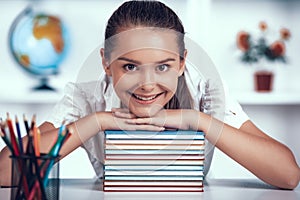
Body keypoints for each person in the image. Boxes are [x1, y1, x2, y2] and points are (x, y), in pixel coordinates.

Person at [0, 0, 299, 189]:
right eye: (130, 66)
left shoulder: (206, 92)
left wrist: (198, 120)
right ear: (106, 62)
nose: (146, 84)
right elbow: (4, 173)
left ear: (182, 63)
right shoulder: (87, 97)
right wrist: (97, 121)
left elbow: (288, 175)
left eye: (163, 67)